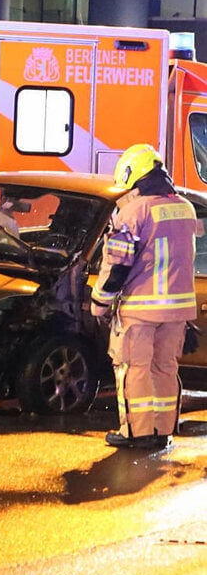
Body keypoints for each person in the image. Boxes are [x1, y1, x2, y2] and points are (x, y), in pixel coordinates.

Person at [91, 143, 198, 450]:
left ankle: (136, 433)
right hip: (177, 311)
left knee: (133, 370)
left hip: (140, 309)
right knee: (165, 368)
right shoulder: (185, 208)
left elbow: (117, 266)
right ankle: (163, 430)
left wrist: (100, 303)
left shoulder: (133, 212)